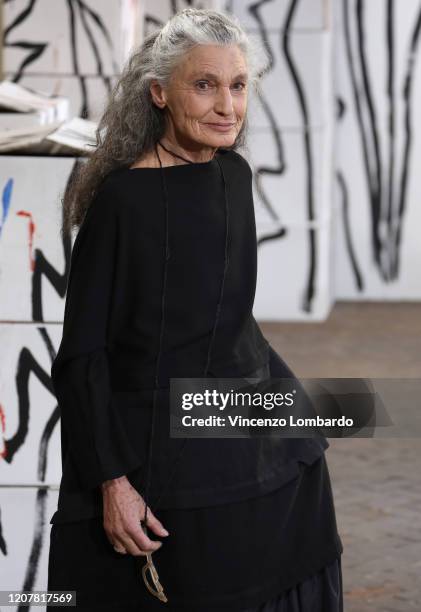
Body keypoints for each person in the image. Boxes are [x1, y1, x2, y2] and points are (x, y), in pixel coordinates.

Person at [47, 8, 343, 611]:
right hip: (148, 441)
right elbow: (82, 357)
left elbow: (227, 317)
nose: (226, 106)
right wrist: (114, 483)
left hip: (224, 414)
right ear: (159, 93)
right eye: (203, 85)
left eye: (238, 86)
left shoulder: (232, 175)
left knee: (292, 537)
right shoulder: (122, 203)